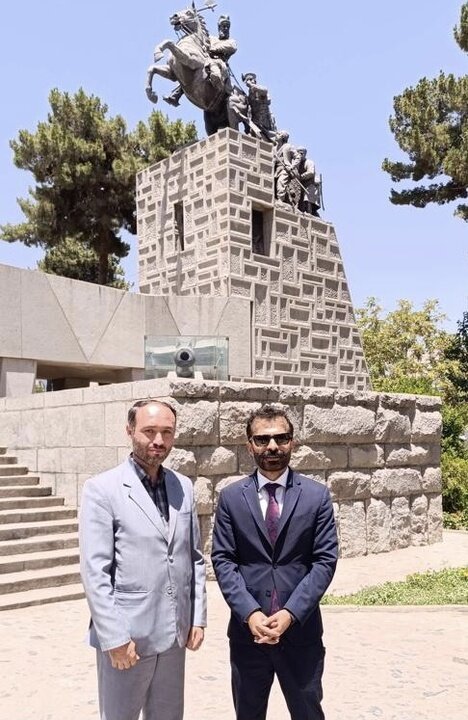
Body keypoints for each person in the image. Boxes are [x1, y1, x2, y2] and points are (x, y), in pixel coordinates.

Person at [80, 399, 206, 720]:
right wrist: (114, 637)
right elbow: (96, 572)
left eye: (167, 432)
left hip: (175, 635)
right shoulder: (102, 490)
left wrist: (197, 617)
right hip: (128, 638)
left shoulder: (184, 487)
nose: (159, 441)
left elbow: (194, 558)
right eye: (149, 431)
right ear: (130, 431)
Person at [211, 404, 338, 720]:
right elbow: (224, 560)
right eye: (263, 439)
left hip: (301, 635)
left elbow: (324, 560)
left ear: (293, 442)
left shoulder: (316, 496)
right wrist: (250, 613)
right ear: (249, 445)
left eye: (281, 438)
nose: (272, 446)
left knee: (308, 712)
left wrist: (291, 613)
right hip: (247, 636)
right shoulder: (230, 498)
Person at [164, 14, 237, 106]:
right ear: (219, 27)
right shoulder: (211, 38)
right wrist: (184, 24)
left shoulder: (231, 41)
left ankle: (224, 94)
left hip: (219, 62)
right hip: (206, 59)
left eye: (227, 26)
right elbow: (198, 38)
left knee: (217, 71)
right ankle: (176, 95)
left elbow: (231, 47)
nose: (225, 28)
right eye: (223, 25)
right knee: (192, 70)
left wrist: (212, 48)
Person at [241, 72, 277, 141]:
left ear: (254, 80)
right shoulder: (250, 94)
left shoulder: (259, 89)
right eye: (248, 80)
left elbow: (265, 91)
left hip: (264, 117)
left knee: (269, 135)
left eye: (251, 79)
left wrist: (252, 85)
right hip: (255, 119)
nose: (250, 81)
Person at [294, 146, 322, 216]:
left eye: (301, 153)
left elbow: (311, 172)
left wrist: (301, 177)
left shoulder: (309, 162)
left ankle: (309, 213)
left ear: (304, 154)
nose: (300, 155)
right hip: (303, 184)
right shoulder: (298, 162)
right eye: (298, 153)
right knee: (301, 201)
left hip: (311, 184)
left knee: (307, 199)